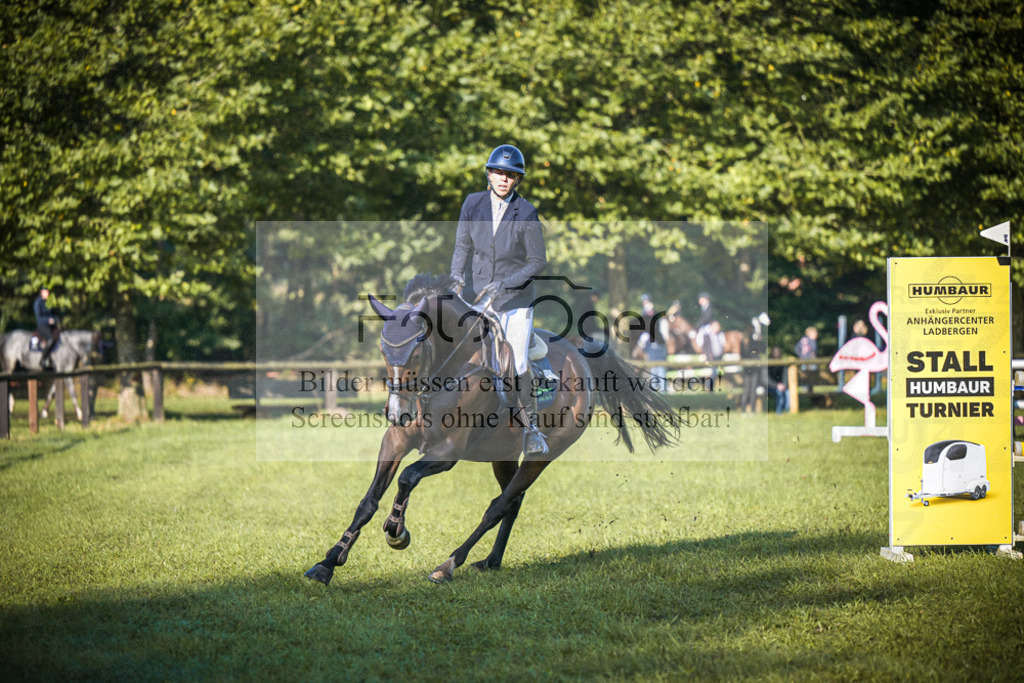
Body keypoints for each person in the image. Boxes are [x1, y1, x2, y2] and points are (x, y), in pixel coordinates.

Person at [450, 144, 549, 455]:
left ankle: (530, 428)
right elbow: (462, 247)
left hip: (515, 301)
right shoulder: (472, 204)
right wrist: (456, 278)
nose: (504, 179)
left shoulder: (527, 212)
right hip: (477, 297)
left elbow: (537, 262)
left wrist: (504, 285)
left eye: (510, 175)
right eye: (499, 173)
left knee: (516, 360)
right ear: (488, 174)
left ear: (516, 180)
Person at [739, 313, 771, 413]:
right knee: (750, 389)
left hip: (750, 368)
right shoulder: (749, 342)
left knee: (749, 389)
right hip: (752, 368)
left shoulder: (747, 342)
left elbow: (761, 350)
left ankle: (747, 410)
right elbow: (761, 351)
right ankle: (748, 409)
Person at [635, 294, 668, 391]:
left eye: (647, 301)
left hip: (656, 338)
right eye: (645, 301)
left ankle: (662, 388)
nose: (646, 303)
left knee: (659, 367)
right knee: (653, 368)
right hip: (648, 336)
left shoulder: (654, 312)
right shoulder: (643, 313)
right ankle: (654, 388)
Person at [33, 286, 61, 370]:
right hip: (42, 326)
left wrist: (56, 319)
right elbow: (39, 318)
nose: (48, 293)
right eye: (46, 292)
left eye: (48, 292)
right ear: (41, 292)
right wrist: (49, 320)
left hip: (52, 326)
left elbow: (53, 314)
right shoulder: (38, 303)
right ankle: (43, 359)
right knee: (51, 339)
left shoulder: (49, 302)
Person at [767, 346, 789, 414]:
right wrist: (776, 385)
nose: (776, 354)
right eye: (775, 353)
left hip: (780, 385)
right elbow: (765, 379)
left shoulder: (782, 363)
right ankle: (778, 412)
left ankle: (787, 411)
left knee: (788, 392)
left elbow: (785, 375)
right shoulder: (766, 363)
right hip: (768, 386)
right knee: (779, 393)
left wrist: (784, 384)